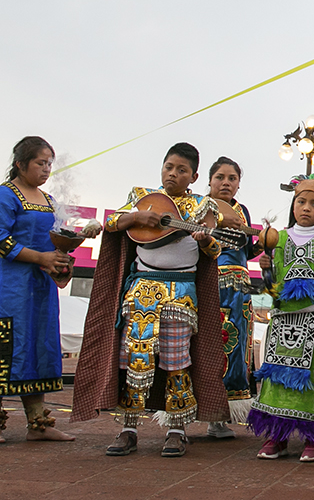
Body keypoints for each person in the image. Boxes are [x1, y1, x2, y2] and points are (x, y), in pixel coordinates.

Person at [72, 143, 227, 458]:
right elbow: (113, 224)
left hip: (181, 295)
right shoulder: (142, 198)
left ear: (194, 175)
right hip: (141, 290)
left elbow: (214, 251)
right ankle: (128, 429)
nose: (173, 173)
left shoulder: (203, 206)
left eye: (181, 170)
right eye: (169, 167)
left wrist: (205, 239)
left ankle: (176, 430)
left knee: (176, 362)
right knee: (135, 360)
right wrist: (138, 216)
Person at [0, 136, 76, 444]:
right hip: (9, 286)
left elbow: (54, 239)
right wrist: (41, 257)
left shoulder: (48, 199)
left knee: (39, 347)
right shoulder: (4, 196)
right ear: (20, 164)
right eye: (40, 163)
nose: (46, 170)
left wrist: (60, 259)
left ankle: (39, 423)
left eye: (49, 164)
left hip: (40, 287)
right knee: (3, 348)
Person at [249, 179, 314, 462]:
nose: (306, 208)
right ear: (293, 204)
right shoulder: (277, 237)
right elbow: (271, 285)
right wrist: (266, 268)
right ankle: (276, 437)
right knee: (276, 378)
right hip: (283, 319)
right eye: (301, 202)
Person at [206, 156, 259, 438]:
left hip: (239, 289)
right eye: (220, 177)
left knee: (236, 348)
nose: (226, 182)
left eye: (232, 178)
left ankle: (220, 417)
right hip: (208, 284)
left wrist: (262, 243)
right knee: (205, 346)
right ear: (210, 180)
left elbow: (246, 251)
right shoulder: (200, 208)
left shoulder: (242, 211)